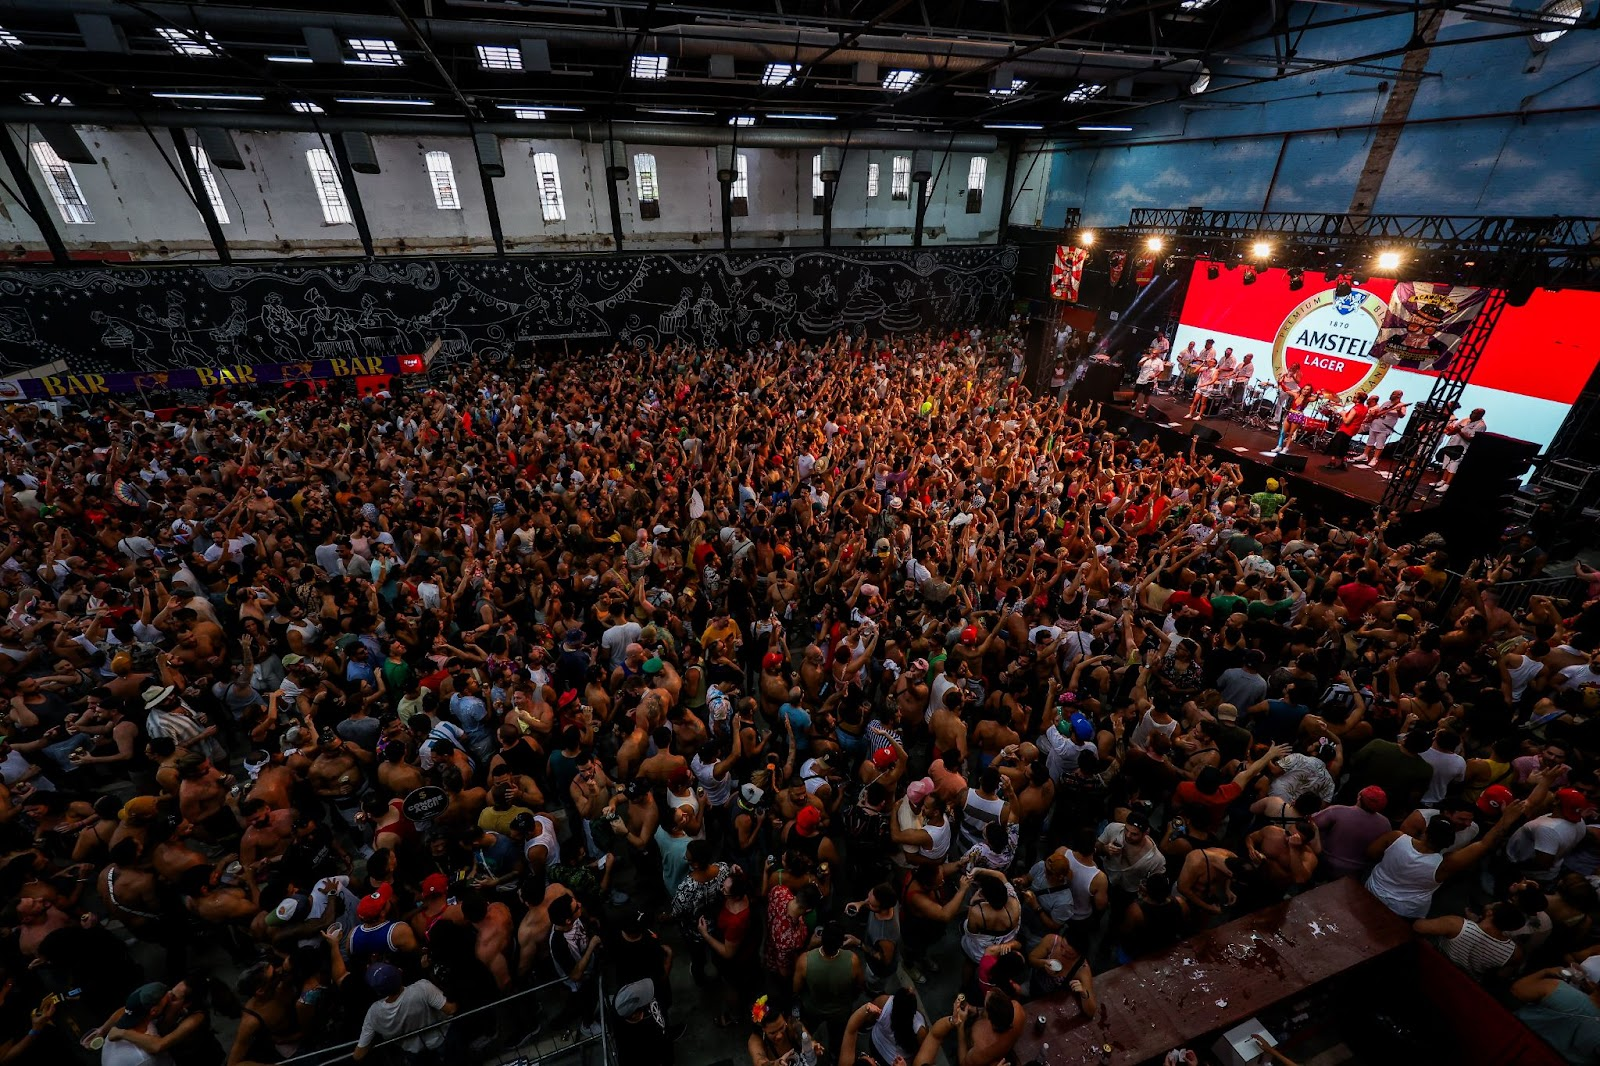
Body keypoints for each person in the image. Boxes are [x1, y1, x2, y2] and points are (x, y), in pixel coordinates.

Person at [353, 962, 457, 1064]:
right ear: (400, 972)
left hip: (414, 1053)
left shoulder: (374, 1013)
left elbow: (358, 1055)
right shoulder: (422, 988)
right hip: (442, 1040)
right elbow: (451, 1009)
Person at [1357, 390, 1406, 467]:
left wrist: (1399, 411)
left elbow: (1402, 415)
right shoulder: (1386, 403)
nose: (1392, 395)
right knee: (1370, 440)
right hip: (1375, 424)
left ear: (1399, 395)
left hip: (1385, 428)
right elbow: (1379, 411)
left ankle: (1375, 458)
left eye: (1394, 394)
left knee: (1380, 443)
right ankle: (1364, 455)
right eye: (1392, 393)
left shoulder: (1401, 405)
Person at [1440, 406, 1487, 487]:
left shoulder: (1481, 425)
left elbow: (1471, 439)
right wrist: (1451, 429)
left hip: (1462, 448)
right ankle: (1442, 481)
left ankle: (1447, 485)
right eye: (1472, 412)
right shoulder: (1466, 420)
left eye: (1474, 413)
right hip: (1453, 444)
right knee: (1447, 464)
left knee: (1453, 466)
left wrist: (1460, 432)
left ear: (1480, 415)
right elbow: (1453, 430)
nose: (1471, 414)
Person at [1323, 391, 1368, 471]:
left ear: (1358, 400)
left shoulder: (1355, 409)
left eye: (1355, 397)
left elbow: (1347, 421)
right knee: (1344, 446)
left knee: (1335, 445)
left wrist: (1343, 414)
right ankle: (1343, 463)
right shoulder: (1365, 408)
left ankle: (1332, 462)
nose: (1353, 398)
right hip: (1353, 430)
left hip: (1345, 429)